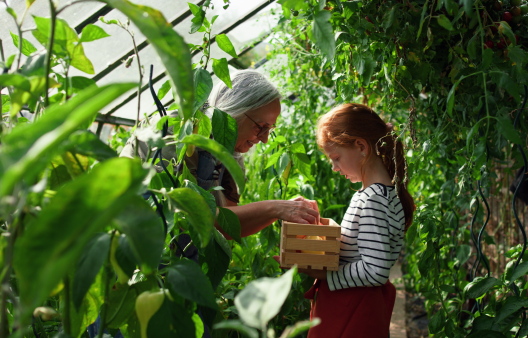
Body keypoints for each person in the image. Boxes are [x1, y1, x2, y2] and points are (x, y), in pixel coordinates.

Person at [120, 70, 319, 239]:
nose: (265, 138)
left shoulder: (231, 156)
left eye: (270, 129)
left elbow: (228, 224)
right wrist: (274, 208)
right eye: (261, 127)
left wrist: (281, 210)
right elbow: (186, 217)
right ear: (235, 110)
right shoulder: (176, 132)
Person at [299, 103, 415, 338]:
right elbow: (361, 247)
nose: (334, 167)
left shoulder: (374, 199)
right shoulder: (378, 194)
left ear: (361, 146)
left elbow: (375, 271)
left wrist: (321, 273)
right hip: (356, 303)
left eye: (337, 157)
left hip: (354, 307)